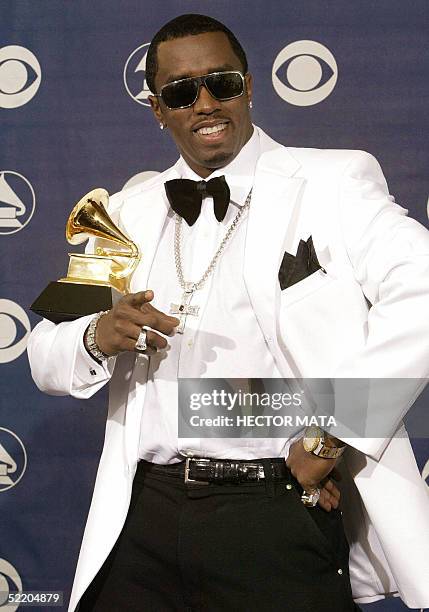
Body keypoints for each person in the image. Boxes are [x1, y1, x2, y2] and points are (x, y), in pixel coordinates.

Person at [27, 13, 429, 612]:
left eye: (223, 83)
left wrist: (329, 436)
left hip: (275, 513)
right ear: (159, 110)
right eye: (182, 92)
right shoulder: (126, 213)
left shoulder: (331, 183)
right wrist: (97, 335)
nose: (206, 102)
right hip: (144, 520)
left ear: (248, 86)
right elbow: (44, 351)